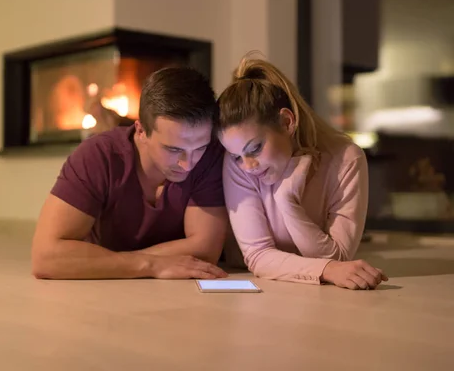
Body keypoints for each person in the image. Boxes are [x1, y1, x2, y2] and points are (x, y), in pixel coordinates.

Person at [31, 67, 230, 280]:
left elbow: (205, 250)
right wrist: (150, 265)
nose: (188, 163)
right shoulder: (98, 156)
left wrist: (105, 262)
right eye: (173, 149)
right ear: (141, 130)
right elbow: (46, 258)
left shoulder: (211, 155)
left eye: (199, 148)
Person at [217, 55, 389, 290]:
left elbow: (339, 258)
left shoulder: (347, 159)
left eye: (255, 148)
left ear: (287, 122)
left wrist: (288, 202)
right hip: (248, 281)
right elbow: (258, 257)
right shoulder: (236, 165)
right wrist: (326, 269)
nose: (247, 166)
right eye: (237, 156)